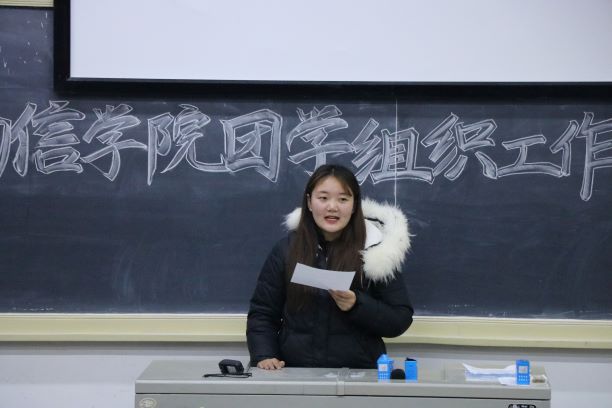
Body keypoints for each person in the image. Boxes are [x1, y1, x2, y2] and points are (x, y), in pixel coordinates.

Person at [246, 164, 413, 369]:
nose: (332, 207)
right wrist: (265, 354)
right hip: (296, 373)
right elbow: (263, 313)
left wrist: (357, 305)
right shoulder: (286, 250)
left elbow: (399, 319)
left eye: (343, 199)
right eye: (323, 198)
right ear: (309, 202)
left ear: (354, 205)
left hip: (359, 373)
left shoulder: (377, 252)